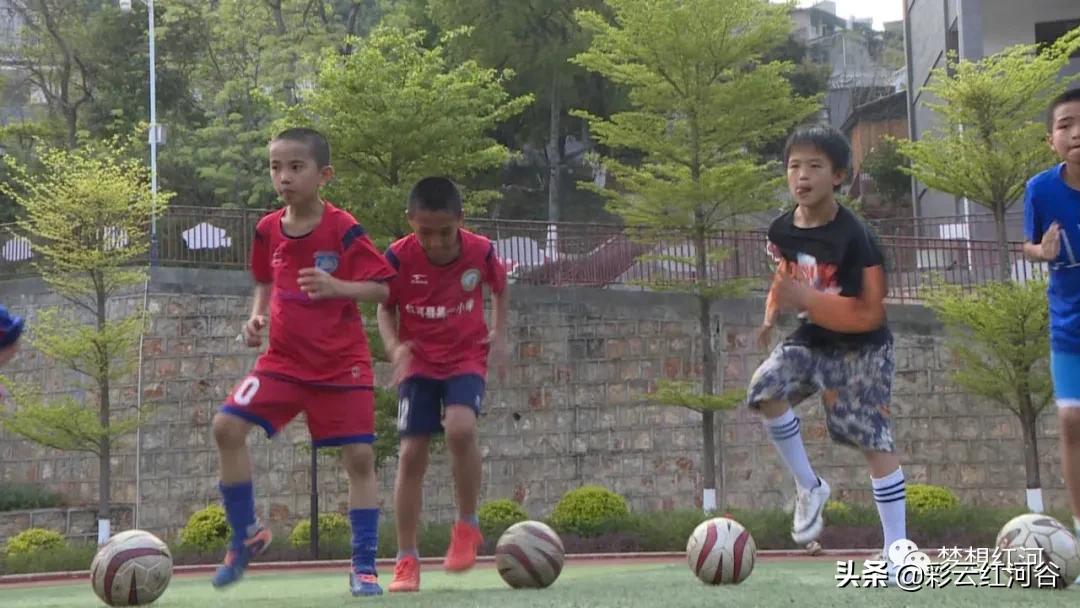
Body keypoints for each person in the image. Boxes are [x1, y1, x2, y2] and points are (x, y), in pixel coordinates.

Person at [210, 128, 396, 597]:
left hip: (341, 365)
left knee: (359, 457)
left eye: (296, 167)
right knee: (226, 427)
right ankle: (247, 534)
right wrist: (254, 318)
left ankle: (365, 566)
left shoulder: (344, 228)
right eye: (276, 167)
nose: (284, 177)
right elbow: (263, 281)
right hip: (283, 362)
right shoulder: (267, 228)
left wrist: (338, 288)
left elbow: (383, 288)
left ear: (323, 174)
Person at [747, 125, 906, 582]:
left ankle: (896, 547)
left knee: (872, 439)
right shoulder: (782, 227)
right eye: (794, 166)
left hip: (862, 348)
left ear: (838, 176)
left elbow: (870, 312)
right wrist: (770, 314)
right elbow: (785, 274)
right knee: (765, 389)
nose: (802, 175)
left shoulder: (857, 238)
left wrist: (809, 300)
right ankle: (809, 486)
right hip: (812, 338)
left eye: (814, 166)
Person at [376, 176, 509, 593]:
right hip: (418, 363)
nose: (434, 242)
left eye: (445, 232)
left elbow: (500, 290)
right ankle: (406, 559)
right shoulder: (397, 258)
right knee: (411, 452)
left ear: (461, 220)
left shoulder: (480, 251)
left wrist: (499, 333)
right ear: (410, 223)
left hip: (466, 355)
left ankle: (467, 526)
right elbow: (384, 309)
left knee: (461, 428)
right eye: (424, 232)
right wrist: (395, 347)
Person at [1023, 88, 1080, 572]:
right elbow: (1028, 245)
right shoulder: (1040, 190)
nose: (1076, 132)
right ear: (1051, 140)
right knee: (1070, 422)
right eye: (1065, 124)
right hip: (1069, 326)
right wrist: (1042, 251)